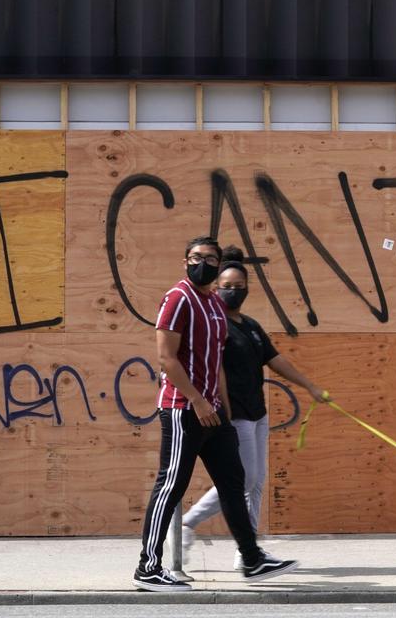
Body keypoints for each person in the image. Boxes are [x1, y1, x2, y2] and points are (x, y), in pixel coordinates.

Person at [132, 236, 299, 592]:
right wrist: (197, 400)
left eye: (209, 258)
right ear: (185, 261)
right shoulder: (179, 298)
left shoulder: (213, 305)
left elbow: (217, 365)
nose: (202, 263)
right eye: (196, 257)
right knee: (171, 485)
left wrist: (220, 408)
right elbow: (166, 358)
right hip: (183, 408)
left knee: (234, 483)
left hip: (213, 412)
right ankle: (148, 567)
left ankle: (252, 559)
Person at [181, 246, 328, 569]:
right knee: (243, 481)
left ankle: (247, 551)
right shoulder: (215, 324)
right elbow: (207, 367)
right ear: (215, 286)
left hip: (257, 413)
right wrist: (223, 411)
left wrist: (310, 386)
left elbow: (275, 360)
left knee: (256, 482)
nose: (233, 292)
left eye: (239, 287)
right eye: (226, 286)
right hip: (235, 416)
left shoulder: (249, 325)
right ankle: (188, 523)